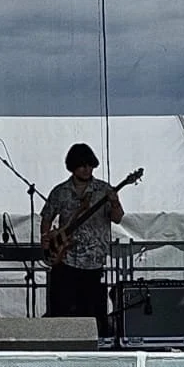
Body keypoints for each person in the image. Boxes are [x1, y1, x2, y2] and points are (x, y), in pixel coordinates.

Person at [40, 143, 124, 338]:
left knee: (92, 315)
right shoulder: (60, 191)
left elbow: (117, 218)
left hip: (93, 262)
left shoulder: (103, 190)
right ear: (73, 166)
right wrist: (46, 239)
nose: (87, 169)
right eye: (82, 165)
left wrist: (114, 202)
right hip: (65, 259)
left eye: (90, 165)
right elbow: (46, 217)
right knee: (62, 312)